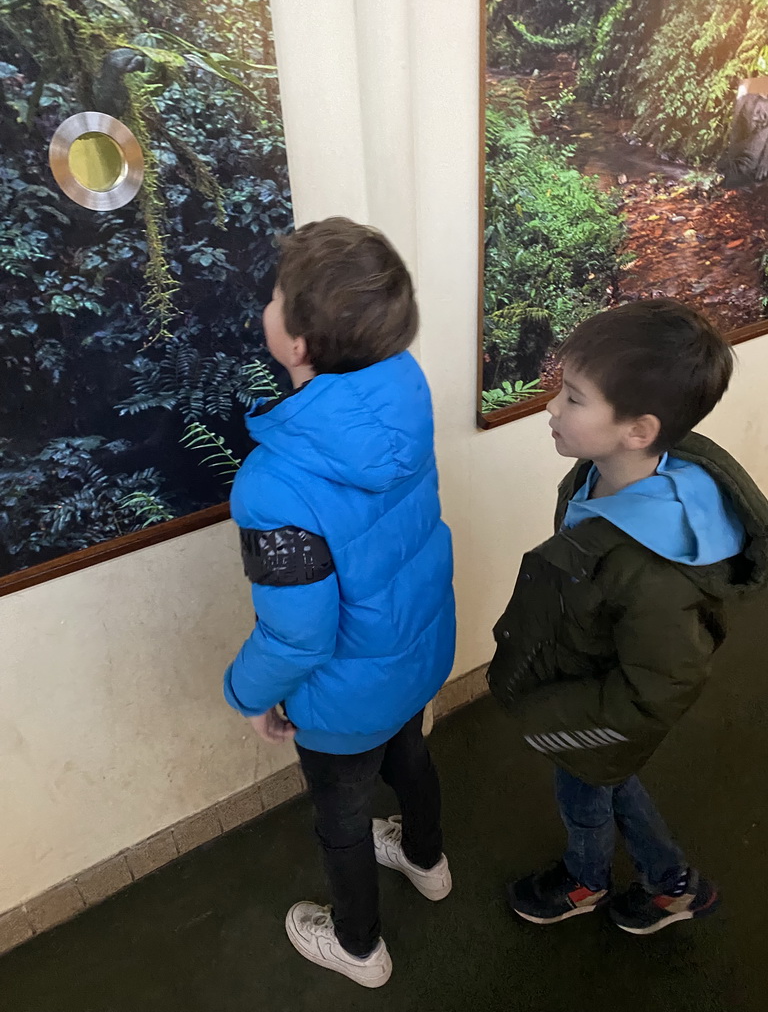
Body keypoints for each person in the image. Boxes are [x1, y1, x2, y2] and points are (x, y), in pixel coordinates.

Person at [223, 217, 455, 988]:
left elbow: (297, 638)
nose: (268, 303)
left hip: (343, 698)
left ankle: (359, 948)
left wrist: (249, 694)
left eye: (277, 295)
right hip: (415, 653)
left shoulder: (272, 485)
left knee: (342, 819)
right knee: (412, 756)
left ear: (296, 344)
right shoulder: (404, 388)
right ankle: (428, 860)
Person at [487, 298, 768, 935]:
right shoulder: (598, 472)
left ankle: (587, 879)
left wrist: (555, 722)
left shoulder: (655, 573)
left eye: (575, 397)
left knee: (584, 790)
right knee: (613, 783)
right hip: (588, 677)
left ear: (638, 430)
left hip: (597, 706)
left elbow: (659, 687)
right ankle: (673, 885)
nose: (552, 408)